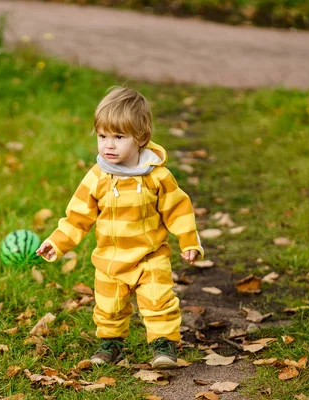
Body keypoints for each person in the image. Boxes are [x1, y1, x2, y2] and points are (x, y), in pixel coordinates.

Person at [36, 86, 204, 369]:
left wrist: (189, 241)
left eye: (119, 137)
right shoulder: (98, 177)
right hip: (110, 259)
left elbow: (178, 209)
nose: (108, 145)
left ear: (141, 138)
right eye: (102, 136)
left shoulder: (157, 176)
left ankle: (163, 345)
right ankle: (111, 345)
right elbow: (78, 215)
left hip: (150, 257)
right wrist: (57, 241)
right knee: (109, 306)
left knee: (158, 300)